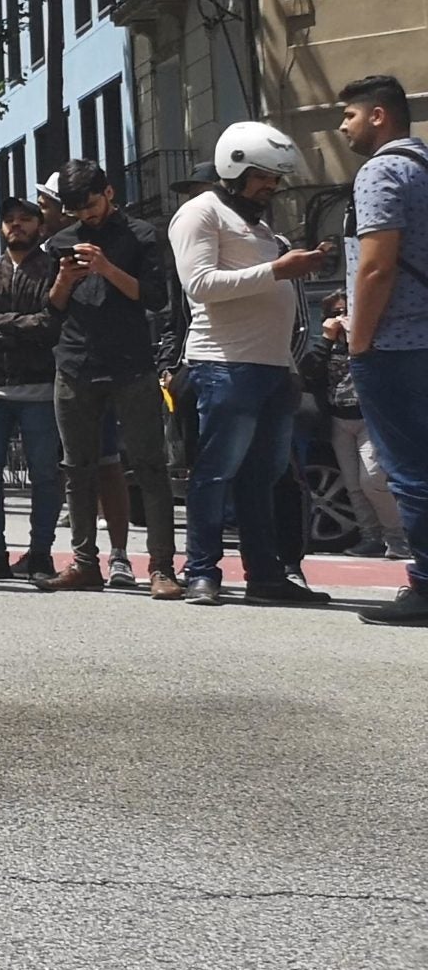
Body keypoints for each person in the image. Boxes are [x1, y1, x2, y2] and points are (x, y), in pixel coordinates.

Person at [168, 123, 334, 606]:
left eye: (276, 179)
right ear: (233, 167)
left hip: (272, 368)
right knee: (215, 475)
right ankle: (201, 572)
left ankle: (265, 575)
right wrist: (279, 269)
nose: (272, 187)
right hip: (224, 365)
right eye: (263, 176)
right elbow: (200, 285)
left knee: (262, 478)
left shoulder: (261, 227)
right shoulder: (199, 213)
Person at [37, 160, 179, 597]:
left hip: (131, 364)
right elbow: (51, 310)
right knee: (77, 469)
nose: (87, 216)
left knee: (150, 466)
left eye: (92, 205)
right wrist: (63, 280)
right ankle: (84, 562)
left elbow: (155, 297)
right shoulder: (59, 242)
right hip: (76, 364)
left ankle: (161, 567)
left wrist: (107, 269)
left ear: (110, 193)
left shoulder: (141, 236)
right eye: (77, 209)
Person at [337, 73, 428, 626]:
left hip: (395, 344)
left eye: (348, 114)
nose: (342, 125)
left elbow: (376, 265)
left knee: (410, 469)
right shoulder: (423, 167)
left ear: (378, 116)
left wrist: (358, 339)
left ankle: (423, 585)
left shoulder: (380, 171)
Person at [0, 195, 64, 582]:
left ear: (40, 226)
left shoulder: (54, 270)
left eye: (25, 219)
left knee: (44, 473)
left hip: (40, 388)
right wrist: (22, 328)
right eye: (9, 220)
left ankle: (40, 553)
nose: (16, 225)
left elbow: (52, 325)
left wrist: (1, 321)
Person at [307, 293, 406, 560]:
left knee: (372, 479)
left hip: (368, 418)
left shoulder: (370, 341)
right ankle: (370, 536)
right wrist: (327, 339)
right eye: (335, 313)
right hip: (339, 420)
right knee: (352, 483)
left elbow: (382, 372)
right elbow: (310, 371)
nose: (341, 318)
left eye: (346, 311)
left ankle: (397, 537)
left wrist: (355, 337)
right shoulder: (324, 345)